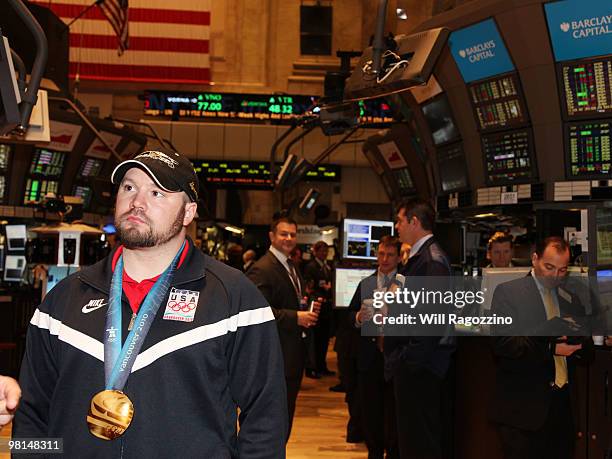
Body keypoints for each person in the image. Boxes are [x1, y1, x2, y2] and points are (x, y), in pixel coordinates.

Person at [14, 149, 288, 457]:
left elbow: (266, 418)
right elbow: (31, 415)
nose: (137, 202)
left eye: (157, 193)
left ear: (188, 212)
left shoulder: (235, 299)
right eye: (129, 187)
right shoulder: (62, 301)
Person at [490, 236, 592, 459]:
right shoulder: (508, 293)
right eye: (549, 267)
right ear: (535, 259)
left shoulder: (570, 298)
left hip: (562, 408)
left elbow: (587, 352)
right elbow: (503, 344)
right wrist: (550, 347)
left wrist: (581, 342)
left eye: (562, 270)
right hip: (524, 411)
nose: (555, 276)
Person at [385, 198, 454, 459]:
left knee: (420, 444)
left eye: (400, 221)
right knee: (411, 441)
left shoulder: (431, 262)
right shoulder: (417, 258)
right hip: (414, 366)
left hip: (420, 369)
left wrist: (405, 362)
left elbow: (430, 323)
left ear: (414, 222)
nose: (397, 227)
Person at [247, 217, 320, 439]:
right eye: (283, 234)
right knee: (271, 425)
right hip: (274, 358)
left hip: (291, 355)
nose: (289, 239)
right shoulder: (262, 269)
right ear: (271, 236)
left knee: (284, 420)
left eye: (292, 234)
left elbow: (288, 301)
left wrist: (306, 307)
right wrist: (295, 317)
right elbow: (257, 313)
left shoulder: (290, 265)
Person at [350, 235, 400, 459]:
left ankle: (394, 450)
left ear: (398, 257)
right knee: (370, 410)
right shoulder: (366, 283)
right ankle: (374, 452)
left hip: (396, 356)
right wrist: (359, 317)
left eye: (390, 254)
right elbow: (349, 317)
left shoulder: (406, 284)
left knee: (395, 411)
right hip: (370, 357)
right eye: (381, 253)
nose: (385, 259)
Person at [303, 241, 334, 378]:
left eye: (326, 251)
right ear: (315, 252)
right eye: (322, 251)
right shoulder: (311, 267)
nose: (324, 253)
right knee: (315, 340)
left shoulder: (327, 266)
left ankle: (322, 365)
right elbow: (310, 287)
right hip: (317, 306)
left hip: (327, 308)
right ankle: (312, 367)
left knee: (324, 339)